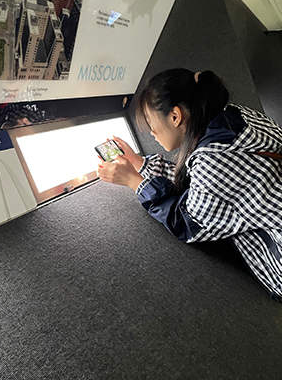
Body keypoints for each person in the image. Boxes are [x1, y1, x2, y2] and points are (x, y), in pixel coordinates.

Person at [97, 68, 282, 301]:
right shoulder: (234, 116)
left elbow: (187, 222)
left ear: (175, 116)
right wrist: (138, 162)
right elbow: (199, 182)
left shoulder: (212, 161)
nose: (152, 134)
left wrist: (134, 181)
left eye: (151, 124)